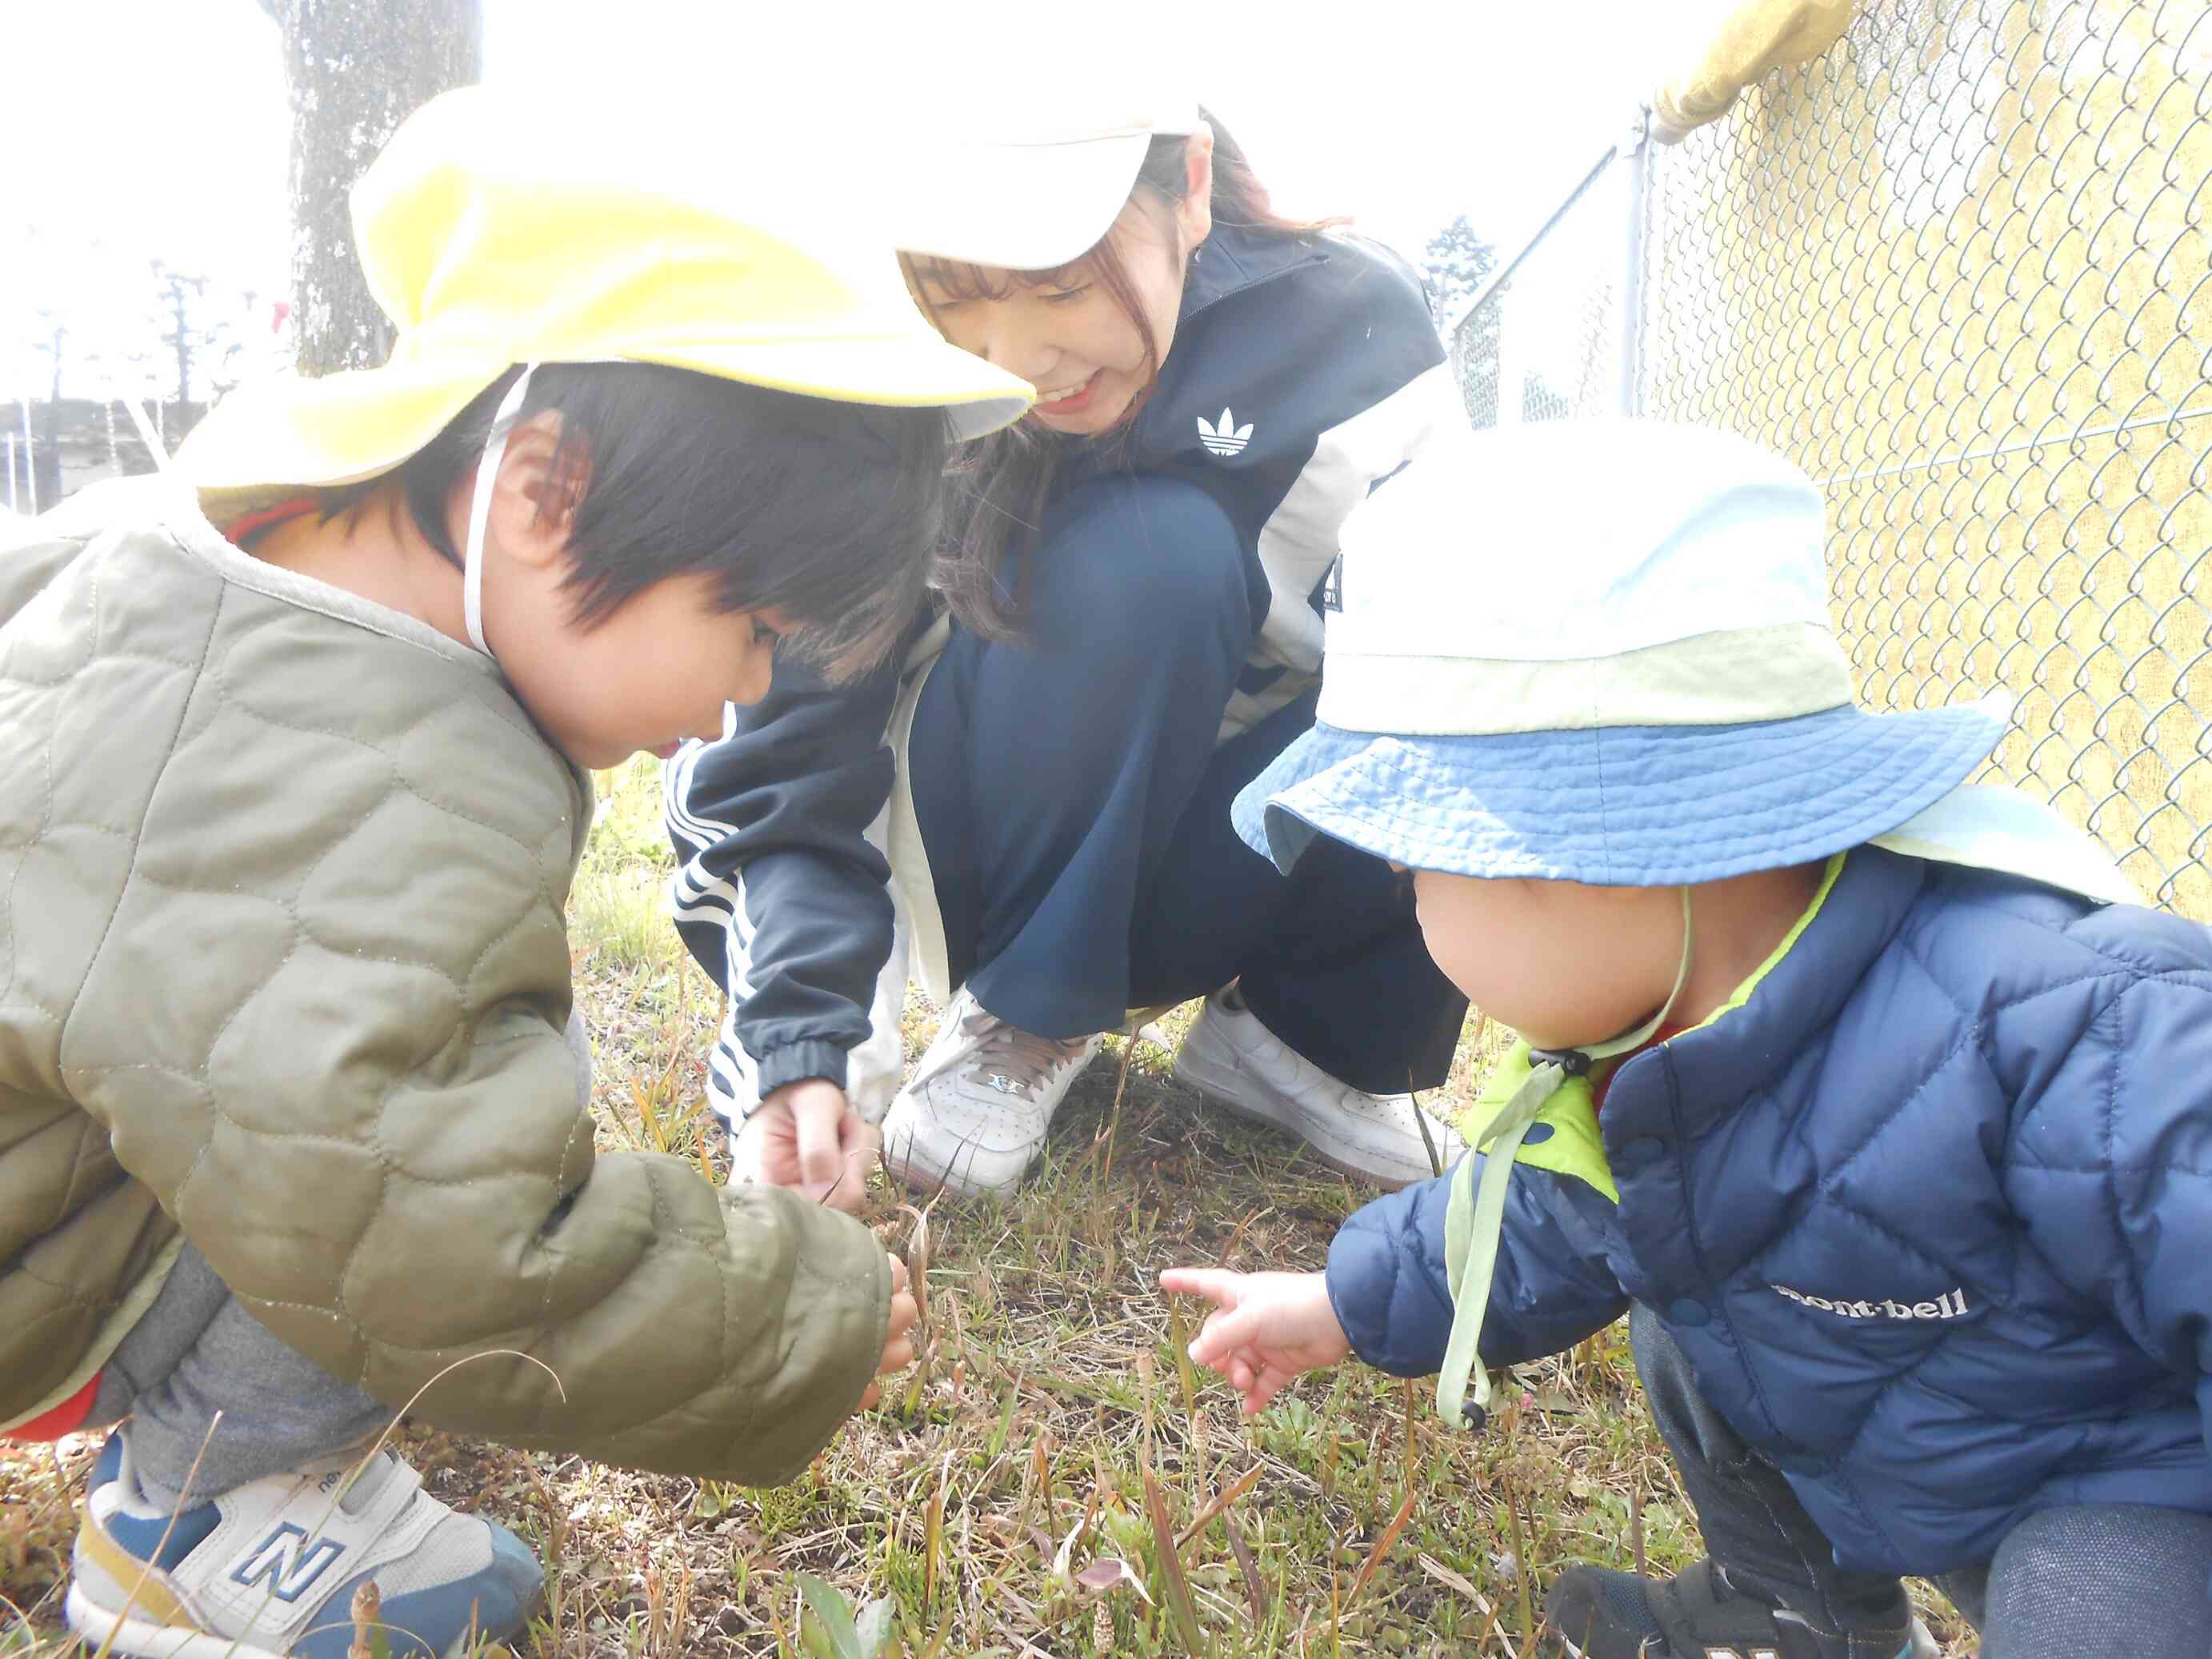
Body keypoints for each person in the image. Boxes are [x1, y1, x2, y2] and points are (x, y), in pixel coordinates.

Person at [0, 87, 1030, 1659]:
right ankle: (206, 1519)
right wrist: (796, 1307)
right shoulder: (367, 777)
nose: (744, 692)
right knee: (471, 1070)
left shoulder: (178, 558)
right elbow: (438, 1237)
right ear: (542, 487)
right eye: (751, 626)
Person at [1162, 420, 2212, 1659]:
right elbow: (1533, 1222)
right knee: (1680, 1282)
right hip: (1907, 1443)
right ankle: (1796, 1614)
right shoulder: (1637, 1053)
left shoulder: (2065, 1017)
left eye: (1416, 868)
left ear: (1586, 852)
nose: (1408, 905)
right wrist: (1337, 1301)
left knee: (2096, 1594)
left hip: (2121, 1499)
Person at [668, 97, 1472, 1200]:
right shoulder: (875, 370)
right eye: (957, 300)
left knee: (1456, 642)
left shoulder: (1355, 340)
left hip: (1211, 839)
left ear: (1189, 186)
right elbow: (794, 754)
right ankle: (1018, 1013)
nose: (1021, 363)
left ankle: (1300, 1041)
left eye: (1059, 284)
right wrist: (809, 1048)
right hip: (984, 837)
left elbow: (1455, 658)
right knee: (1163, 553)